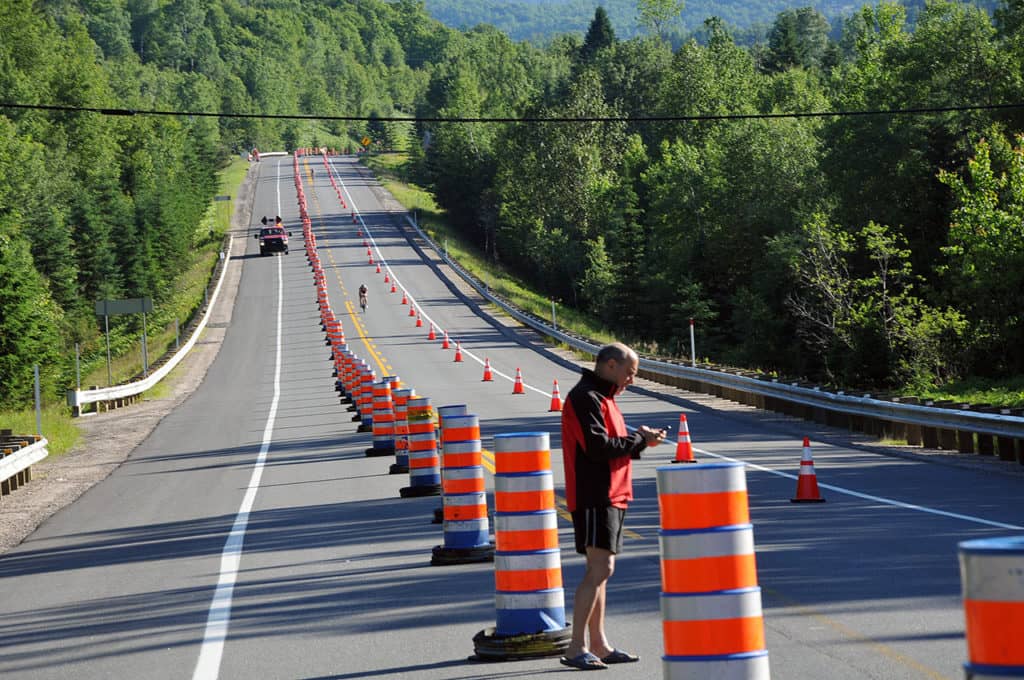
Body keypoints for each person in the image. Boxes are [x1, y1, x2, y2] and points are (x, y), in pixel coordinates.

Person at [559, 342, 666, 671]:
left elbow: (612, 444)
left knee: (601, 571)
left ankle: (599, 644)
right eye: (629, 373)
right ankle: (576, 646)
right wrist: (640, 440)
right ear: (608, 365)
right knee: (600, 569)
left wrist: (638, 439)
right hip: (595, 495)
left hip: (612, 494)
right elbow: (597, 447)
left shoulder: (603, 397)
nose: (631, 380)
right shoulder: (586, 397)